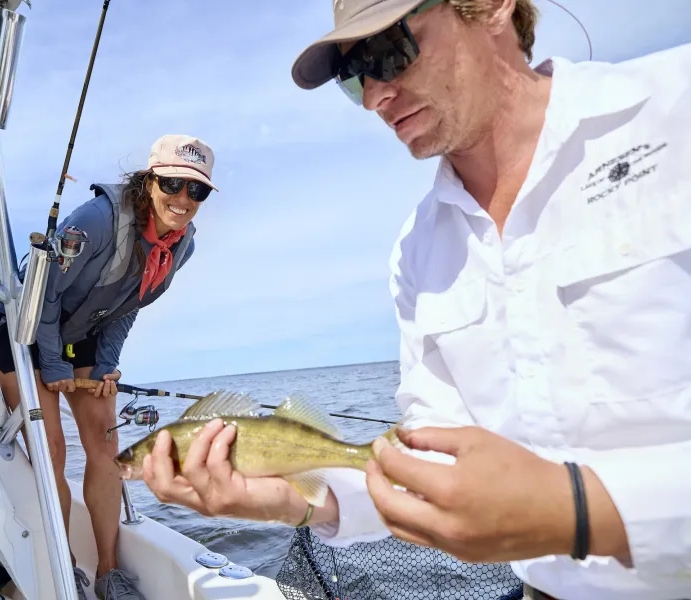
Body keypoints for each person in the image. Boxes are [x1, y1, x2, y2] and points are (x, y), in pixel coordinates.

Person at [141, 2, 691, 599]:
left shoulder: (674, 110)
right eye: (353, 78)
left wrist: (583, 512)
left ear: (492, 9)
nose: (376, 96)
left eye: (388, 51)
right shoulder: (417, 250)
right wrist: (302, 501)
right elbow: (432, 460)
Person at [0, 133, 217, 600]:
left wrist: (108, 365)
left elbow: (131, 304)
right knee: (51, 451)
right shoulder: (95, 221)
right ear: (151, 180)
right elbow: (45, 293)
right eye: (174, 183)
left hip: (83, 334)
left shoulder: (182, 244)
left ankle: (109, 571)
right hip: (24, 327)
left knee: (106, 448)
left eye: (197, 190)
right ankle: (65, 564)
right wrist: (51, 365)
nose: (183, 199)